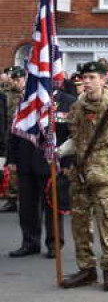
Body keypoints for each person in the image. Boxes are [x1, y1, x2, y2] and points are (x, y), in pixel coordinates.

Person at [58, 61, 108, 292]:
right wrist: (62, 151)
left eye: (93, 77)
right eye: (85, 77)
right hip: (80, 176)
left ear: (104, 80)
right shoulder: (76, 107)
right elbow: (75, 137)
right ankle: (86, 270)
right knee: (80, 226)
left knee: (107, 227)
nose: (87, 81)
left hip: (104, 180)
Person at [7, 80, 74, 258]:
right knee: (27, 207)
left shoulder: (68, 101)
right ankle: (30, 242)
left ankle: (54, 243)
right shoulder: (26, 100)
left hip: (52, 161)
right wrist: (12, 159)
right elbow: (14, 131)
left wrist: (67, 163)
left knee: (52, 205)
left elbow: (73, 135)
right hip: (26, 160)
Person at [0, 66, 27, 213]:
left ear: (24, 79)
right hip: (9, 134)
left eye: (18, 80)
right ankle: (11, 199)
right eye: (13, 80)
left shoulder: (30, 94)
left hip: (25, 136)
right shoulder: (6, 94)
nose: (15, 83)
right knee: (10, 168)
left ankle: (27, 199)